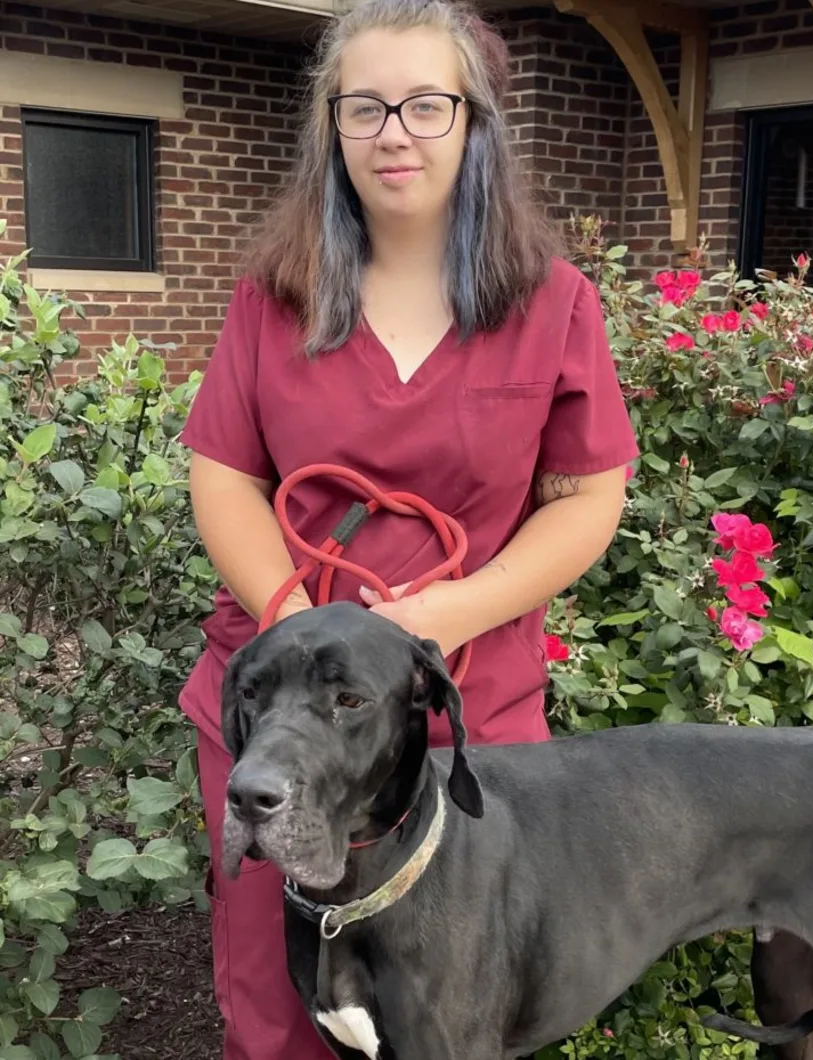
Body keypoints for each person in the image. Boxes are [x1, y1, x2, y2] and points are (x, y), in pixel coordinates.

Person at [178, 0, 640, 1056]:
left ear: (475, 124)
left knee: (459, 1019)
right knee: (280, 1012)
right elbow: (225, 478)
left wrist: (436, 616)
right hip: (279, 714)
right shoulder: (272, 296)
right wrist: (292, 619)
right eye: (367, 106)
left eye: (428, 105)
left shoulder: (553, 300)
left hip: (464, 719)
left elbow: (585, 501)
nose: (396, 131)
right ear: (331, 128)